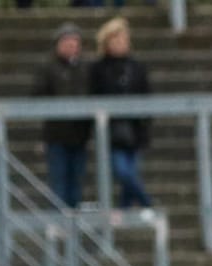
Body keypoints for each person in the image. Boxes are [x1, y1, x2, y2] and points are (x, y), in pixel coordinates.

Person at [88, 17, 153, 211]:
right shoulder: (98, 69)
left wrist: (144, 122)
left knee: (130, 175)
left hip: (135, 131)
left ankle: (124, 214)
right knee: (123, 172)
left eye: (123, 39)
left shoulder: (136, 67)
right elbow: (94, 97)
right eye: (115, 40)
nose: (120, 44)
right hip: (111, 132)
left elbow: (147, 95)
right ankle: (148, 204)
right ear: (106, 43)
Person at [33, 23, 92, 208]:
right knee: (58, 183)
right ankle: (59, 226)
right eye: (67, 42)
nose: (72, 46)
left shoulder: (86, 68)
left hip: (80, 135)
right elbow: (37, 96)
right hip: (56, 136)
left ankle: (73, 226)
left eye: (75, 43)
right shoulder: (48, 69)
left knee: (76, 184)